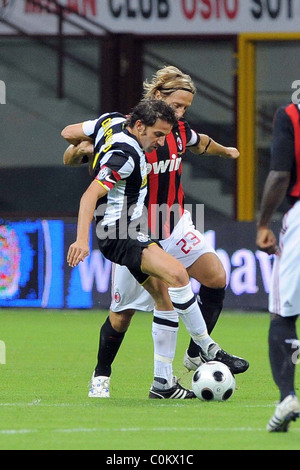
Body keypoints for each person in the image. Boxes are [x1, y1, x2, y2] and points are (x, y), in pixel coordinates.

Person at [63, 67, 249, 399]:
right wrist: (81, 151)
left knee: (215, 277)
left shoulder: (174, 130)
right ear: (158, 97)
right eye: (177, 106)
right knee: (122, 315)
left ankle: (195, 355)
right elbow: (77, 152)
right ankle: (102, 375)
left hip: (173, 221)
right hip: (132, 227)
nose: (180, 116)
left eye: (185, 109)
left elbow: (200, 143)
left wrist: (228, 151)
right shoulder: (129, 135)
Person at [256, 101, 300, 432]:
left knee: (283, 315)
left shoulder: (291, 113)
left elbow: (281, 173)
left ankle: (287, 397)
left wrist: (263, 223)